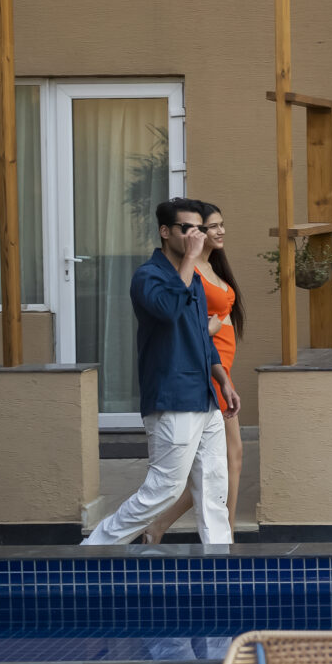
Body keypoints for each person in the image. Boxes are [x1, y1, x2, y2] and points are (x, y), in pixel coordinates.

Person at [83, 198, 238, 546]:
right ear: (165, 232)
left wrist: (223, 380)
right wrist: (190, 260)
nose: (196, 236)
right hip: (173, 399)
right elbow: (168, 309)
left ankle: (220, 562)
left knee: (214, 487)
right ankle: (93, 550)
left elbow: (200, 335)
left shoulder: (191, 278)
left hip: (205, 396)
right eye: (187, 228)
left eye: (199, 229)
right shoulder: (148, 276)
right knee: (163, 491)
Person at [141, 199, 244, 543]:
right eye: (208, 227)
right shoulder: (187, 272)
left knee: (225, 462)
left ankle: (206, 534)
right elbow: (180, 317)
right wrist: (208, 330)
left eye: (213, 226)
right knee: (224, 462)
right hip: (200, 371)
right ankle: (164, 527)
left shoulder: (210, 267)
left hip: (219, 368)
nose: (215, 232)